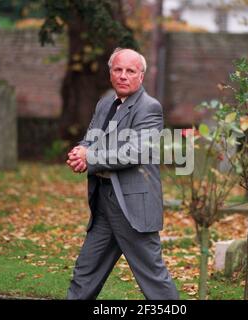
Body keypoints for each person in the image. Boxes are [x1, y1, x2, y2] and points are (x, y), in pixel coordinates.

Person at [65, 48, 179, 300]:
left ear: (141, 76)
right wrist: (81, 150)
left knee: (153, 279)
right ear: (110, 74)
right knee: (85, 272)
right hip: (104, 201)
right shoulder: (106, 102)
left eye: (130, 71)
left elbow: (133, 153)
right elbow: (92, 136)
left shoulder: (149, 107)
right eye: (118, 70)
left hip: (133, 205)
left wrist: (90, 158)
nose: (123, 76)